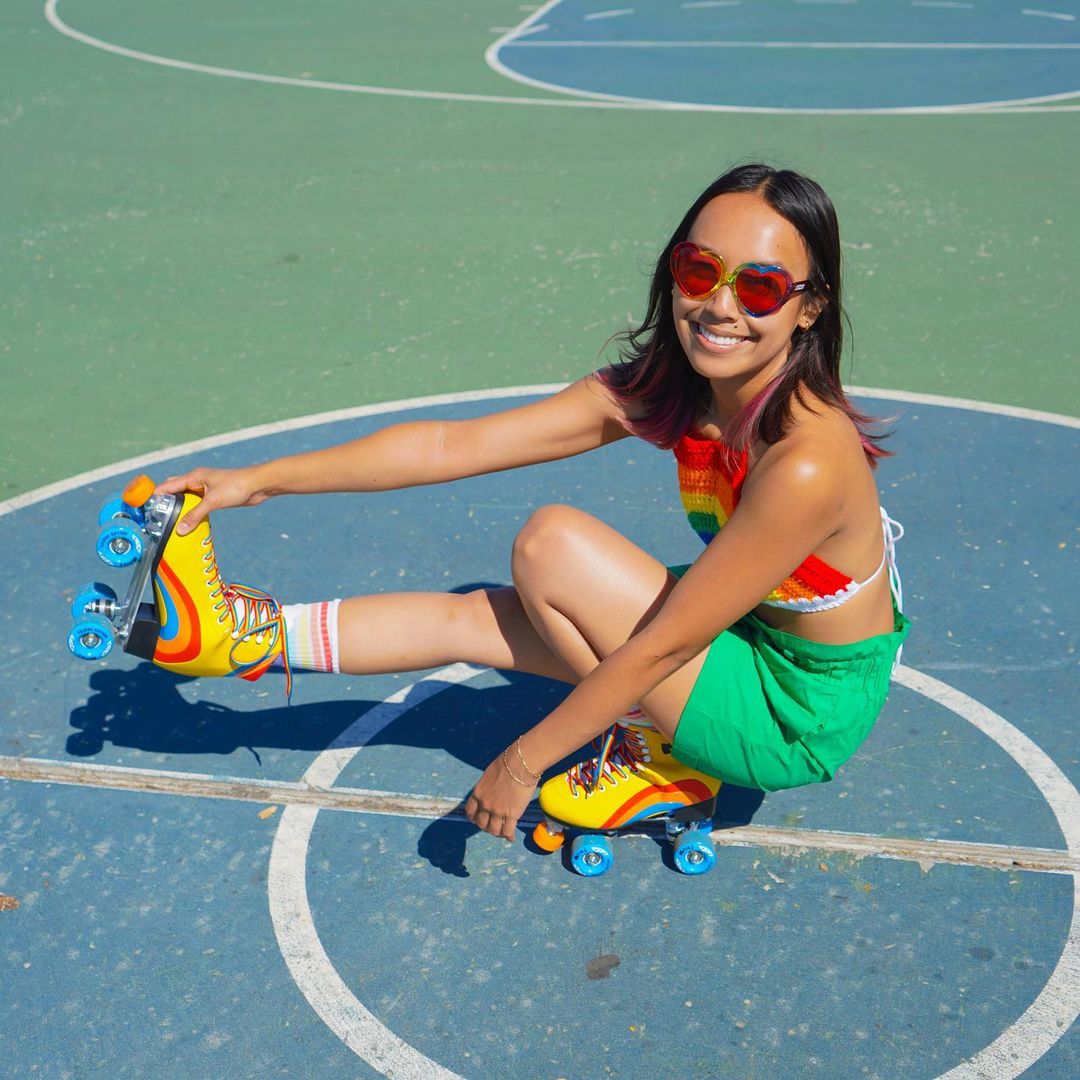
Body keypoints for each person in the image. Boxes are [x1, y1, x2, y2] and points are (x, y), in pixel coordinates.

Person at [148, 163, 909, 846]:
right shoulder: (679, 392)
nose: (719, 305)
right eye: (699, 269)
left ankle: (665, 756)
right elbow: (449, 446)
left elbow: (664, 647)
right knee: (475, 620)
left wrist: (523, 761)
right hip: (745, 637)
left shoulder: (806, 461)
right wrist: (257, 481)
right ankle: (242, 639)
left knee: (554, 546)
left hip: (793, 714)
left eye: (761, 287)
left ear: (809, 308)